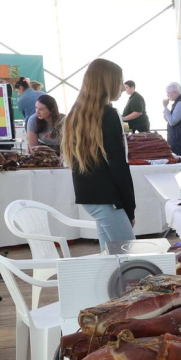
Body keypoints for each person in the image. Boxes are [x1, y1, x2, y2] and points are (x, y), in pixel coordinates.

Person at [61, 58, 136, 252]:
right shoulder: (109, 115)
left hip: (90, 196)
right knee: (130, 256)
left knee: (109, 254)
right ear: (107, 82)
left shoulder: (77, 114)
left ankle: (108, 283)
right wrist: (129, 207)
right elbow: (118, 164)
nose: (122, 86)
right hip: (108, 199)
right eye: (119, 81)